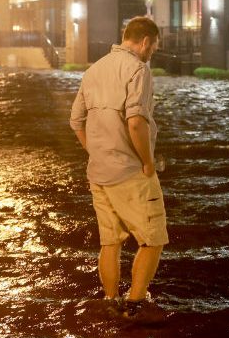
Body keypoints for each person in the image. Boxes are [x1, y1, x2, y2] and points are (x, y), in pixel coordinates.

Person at [69, 16, 168, 318]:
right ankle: (135, 305)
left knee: (110, 242)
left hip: (98, 172)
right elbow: (136, 122)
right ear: (145, 42)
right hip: (129, 172)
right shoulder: (138, 69)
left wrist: (96, 152)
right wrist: (148, 163)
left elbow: (75, 121)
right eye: (154, 47)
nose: (152, 53)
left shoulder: (93, 70)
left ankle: (110, 300)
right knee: (153, 239)